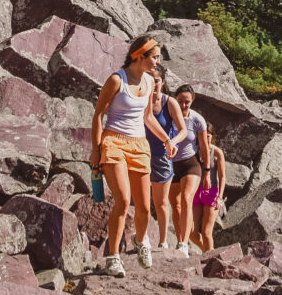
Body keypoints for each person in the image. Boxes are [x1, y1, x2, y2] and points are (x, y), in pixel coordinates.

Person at [90, 35, 174, 277]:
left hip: (139, 145)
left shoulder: (149, 81)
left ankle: (140, 241)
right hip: (114, 141)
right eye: (154, 57)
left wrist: (166, 139)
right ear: (140, 56)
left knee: (145, 209)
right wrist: (96, 150)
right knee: (124, 200)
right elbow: (98, 116)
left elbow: (147, 117)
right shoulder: (117, 80)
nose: (157, 62)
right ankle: (113, 257)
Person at [145, 68, 188, 249]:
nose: (154, 84)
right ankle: (142, 237)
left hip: (162, 157)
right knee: (141, 201)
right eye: (150, 80)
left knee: (160, 202)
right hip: (141, 154)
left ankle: (163, 242)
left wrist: (172, 142)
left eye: (156, 80)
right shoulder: (141, 100)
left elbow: (183, 130)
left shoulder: (169, 103)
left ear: (162, 82)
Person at [168, 85, 210, 257]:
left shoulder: (197, 119)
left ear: (192, 102)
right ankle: (180, 241)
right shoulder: (168, 115)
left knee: (186, 198)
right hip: (171, 165)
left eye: (187, 102)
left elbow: (205, 147)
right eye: (180, 101)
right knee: (175, 206)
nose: (184, 105)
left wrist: (206, 171)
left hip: (191, 164)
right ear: (175, 99)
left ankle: (183, 243)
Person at [190, 122, 226, 252]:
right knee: (191, 232)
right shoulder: (193, 150)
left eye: (209, 136)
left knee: (206, 232)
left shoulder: (217, 152)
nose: (206, 138)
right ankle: (208, 253)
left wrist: (220, 197)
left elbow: (222, 177)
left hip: (212, 192)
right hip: (196, 191)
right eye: (204, 135)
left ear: (213, 136)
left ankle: (210, 259)